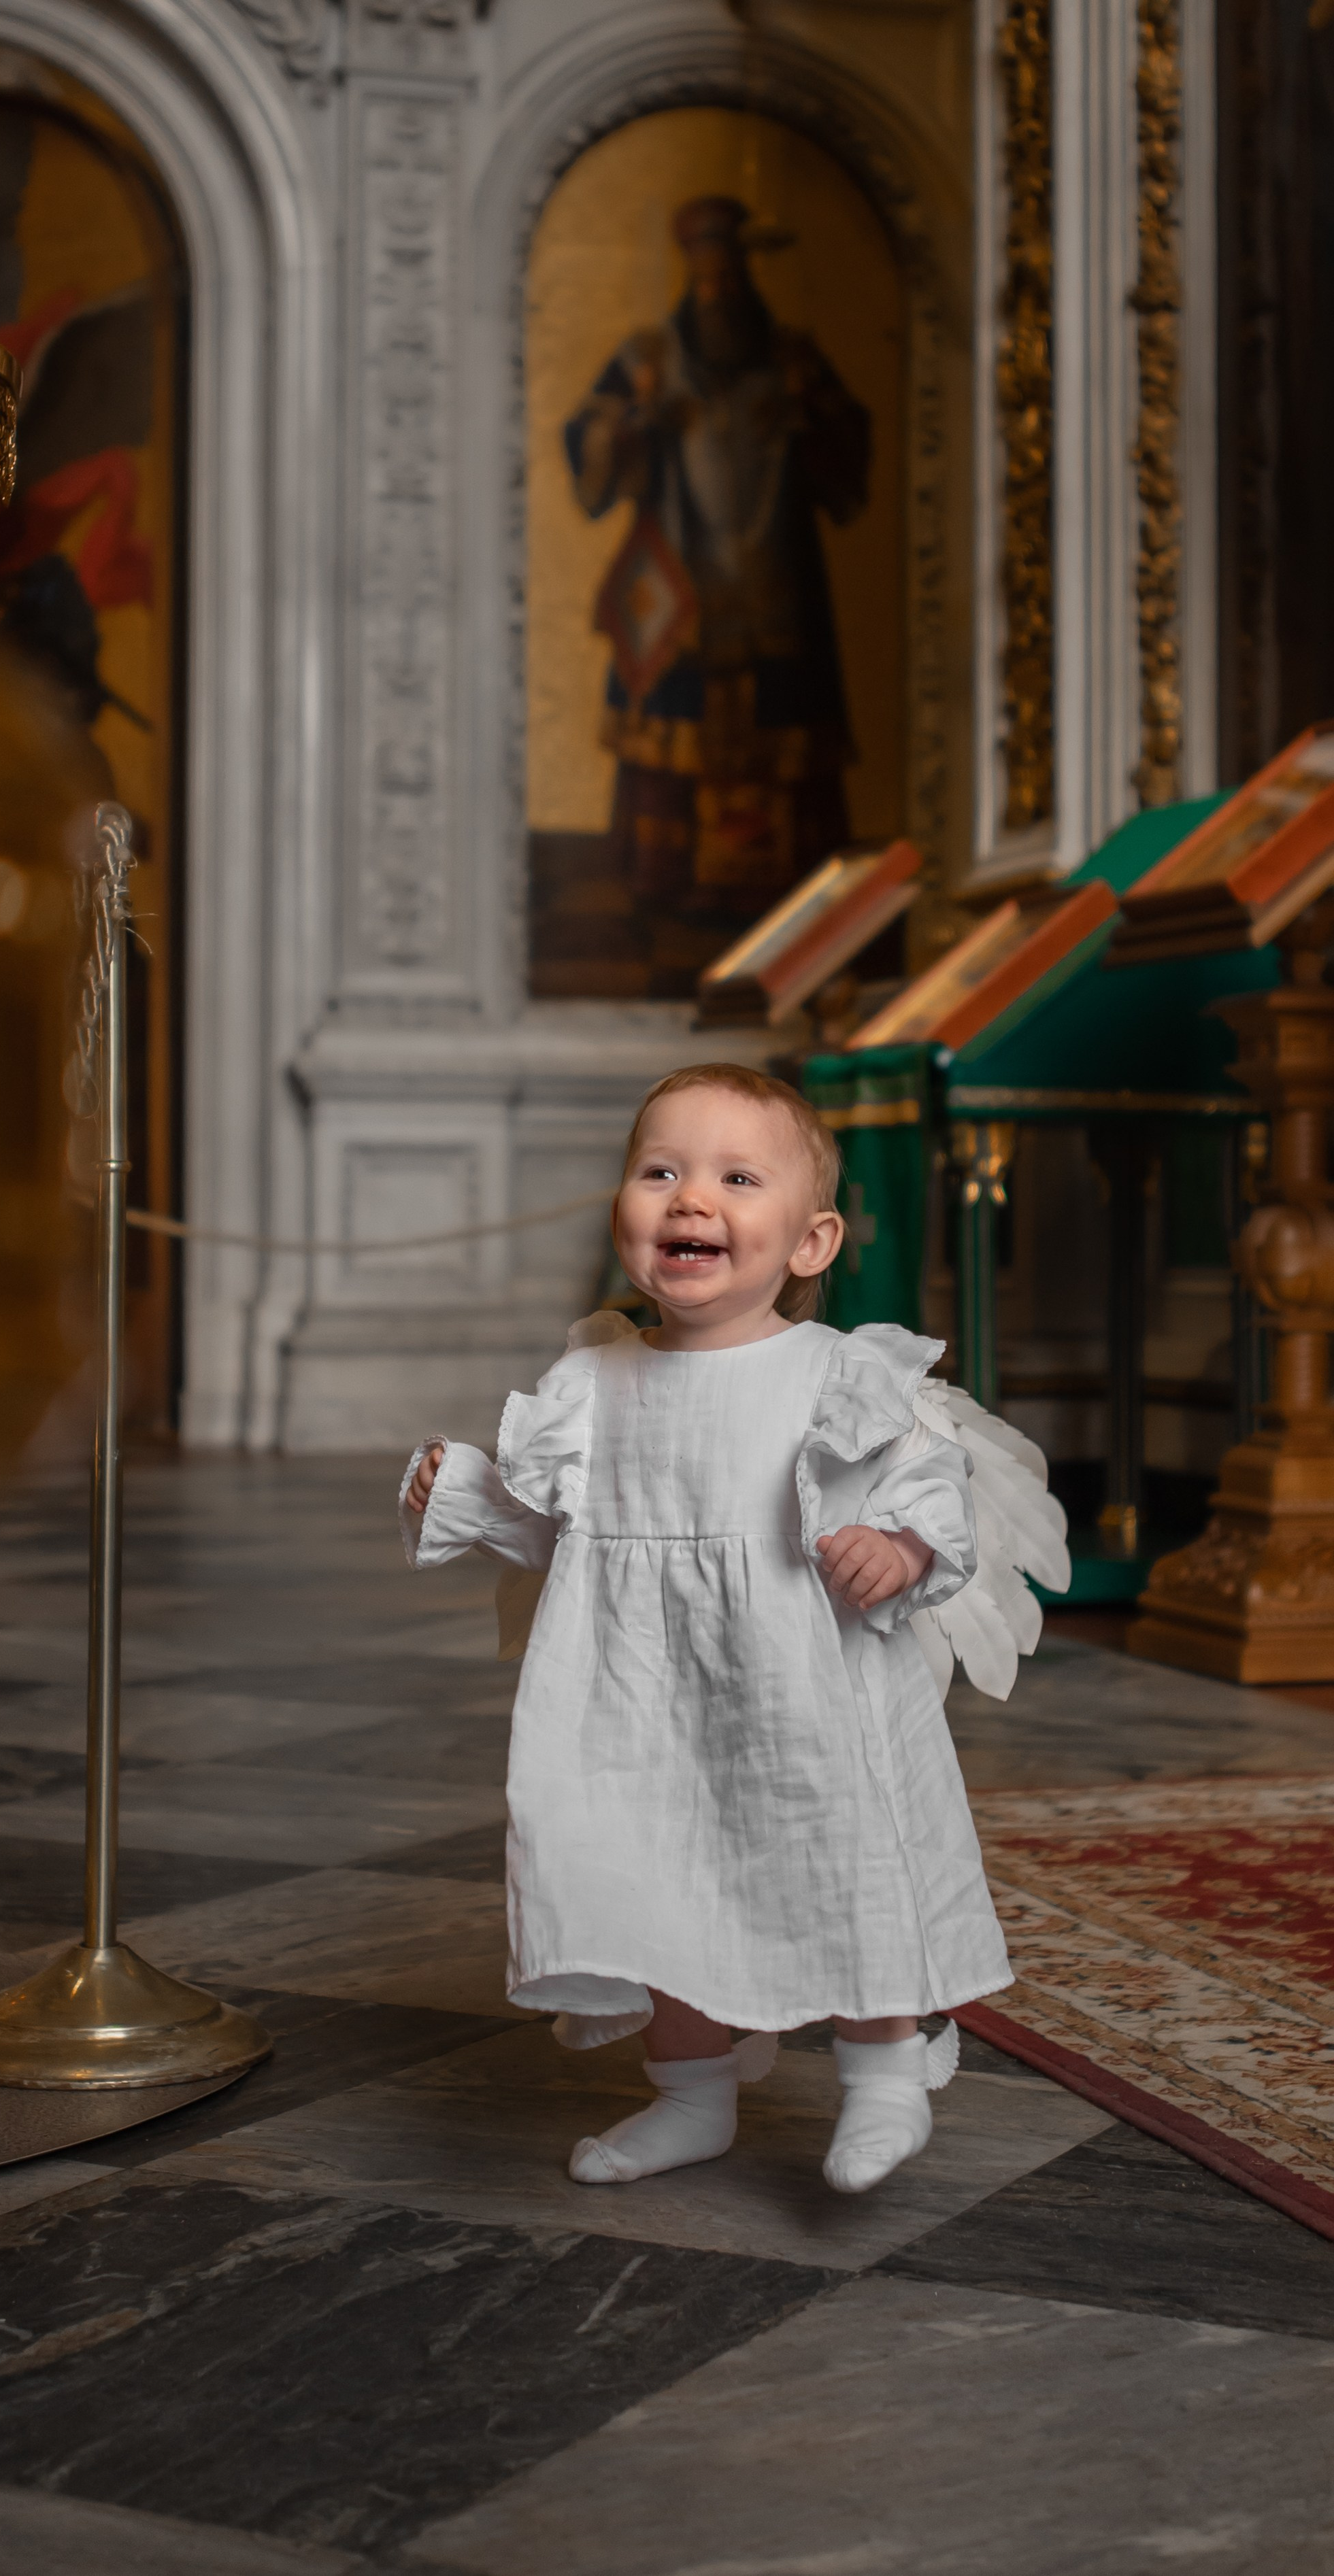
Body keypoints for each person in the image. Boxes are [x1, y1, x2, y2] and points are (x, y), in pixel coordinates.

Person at [401, 1064, 1067, 2194]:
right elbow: (568, 1537)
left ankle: (886, 2075)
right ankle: (690, 2095)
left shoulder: (835, 1375)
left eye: (734, 1177)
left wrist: (901, 1546)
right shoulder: (593, 1379)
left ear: (809, 1244)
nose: (689, 1198)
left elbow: (930, 1480)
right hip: (632, 1695)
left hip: (802, 1684)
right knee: (658, 1879)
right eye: (660, 1170)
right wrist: (468, 1493)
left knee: (844, 1852)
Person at [565, 197, 870, 938]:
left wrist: (811, 421)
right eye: (707, 281)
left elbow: (849, 456)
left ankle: (798, 907)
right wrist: (638, 423)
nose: (721, 292)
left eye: (731, 278)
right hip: (682, 579)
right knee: (675, 721)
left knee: (779, 718)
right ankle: (665, 880)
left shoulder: (794, 357)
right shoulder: (649, 361)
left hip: (775, 579)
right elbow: (590, 441)